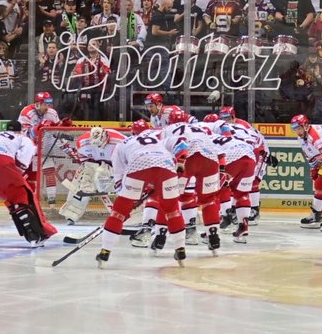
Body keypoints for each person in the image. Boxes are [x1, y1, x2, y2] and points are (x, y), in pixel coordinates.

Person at [97, 119, 188, 268]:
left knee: (118, 212)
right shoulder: (158, 136)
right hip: (166, 166)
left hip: (138, 166)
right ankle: (180, 250)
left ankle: (105, 252)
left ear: (133, 132)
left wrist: (126, 204)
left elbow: (119, 176)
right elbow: (182, 143)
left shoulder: (123, 143)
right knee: (172, 211)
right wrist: (180, 162)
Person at [160, 109, 222, 253]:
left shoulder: (167, 129)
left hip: (187, 158)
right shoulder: (201, 128)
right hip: (211, 160)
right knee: (208, 200)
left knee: (170, 198)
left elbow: (164, 151)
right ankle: (213, 234)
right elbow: (218, 147)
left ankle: (160, 236)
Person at [58, 126, 126, 225]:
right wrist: (89, 173)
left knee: (122, 186)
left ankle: (130, 212)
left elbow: (126, 161)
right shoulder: (82, 143)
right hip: (93, 162)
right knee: (82, 182)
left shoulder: (120, 141)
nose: (99, 147)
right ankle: (71, 214)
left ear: (107, 137)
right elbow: (83, 160)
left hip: (114, 165)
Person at [210, 122, 258, 243]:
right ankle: (243, 227)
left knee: (213, 193)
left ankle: (211, 229)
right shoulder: (233, 131)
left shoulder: (207, 138)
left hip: (231, 157)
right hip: (250, 155)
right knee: (242, 194)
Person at [18, 91, 61, 203]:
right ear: (38, 103)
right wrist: (38, 127)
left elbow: (57, 134)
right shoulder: (27, 112)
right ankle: (24, 198)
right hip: (29, 149)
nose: (48, 107)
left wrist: (63, 126)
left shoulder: (52, 113)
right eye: (45, 104)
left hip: (45, 147)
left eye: (49, 103)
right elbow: (24, 134)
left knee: (49, 171)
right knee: (29, 176)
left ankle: (52, 201)